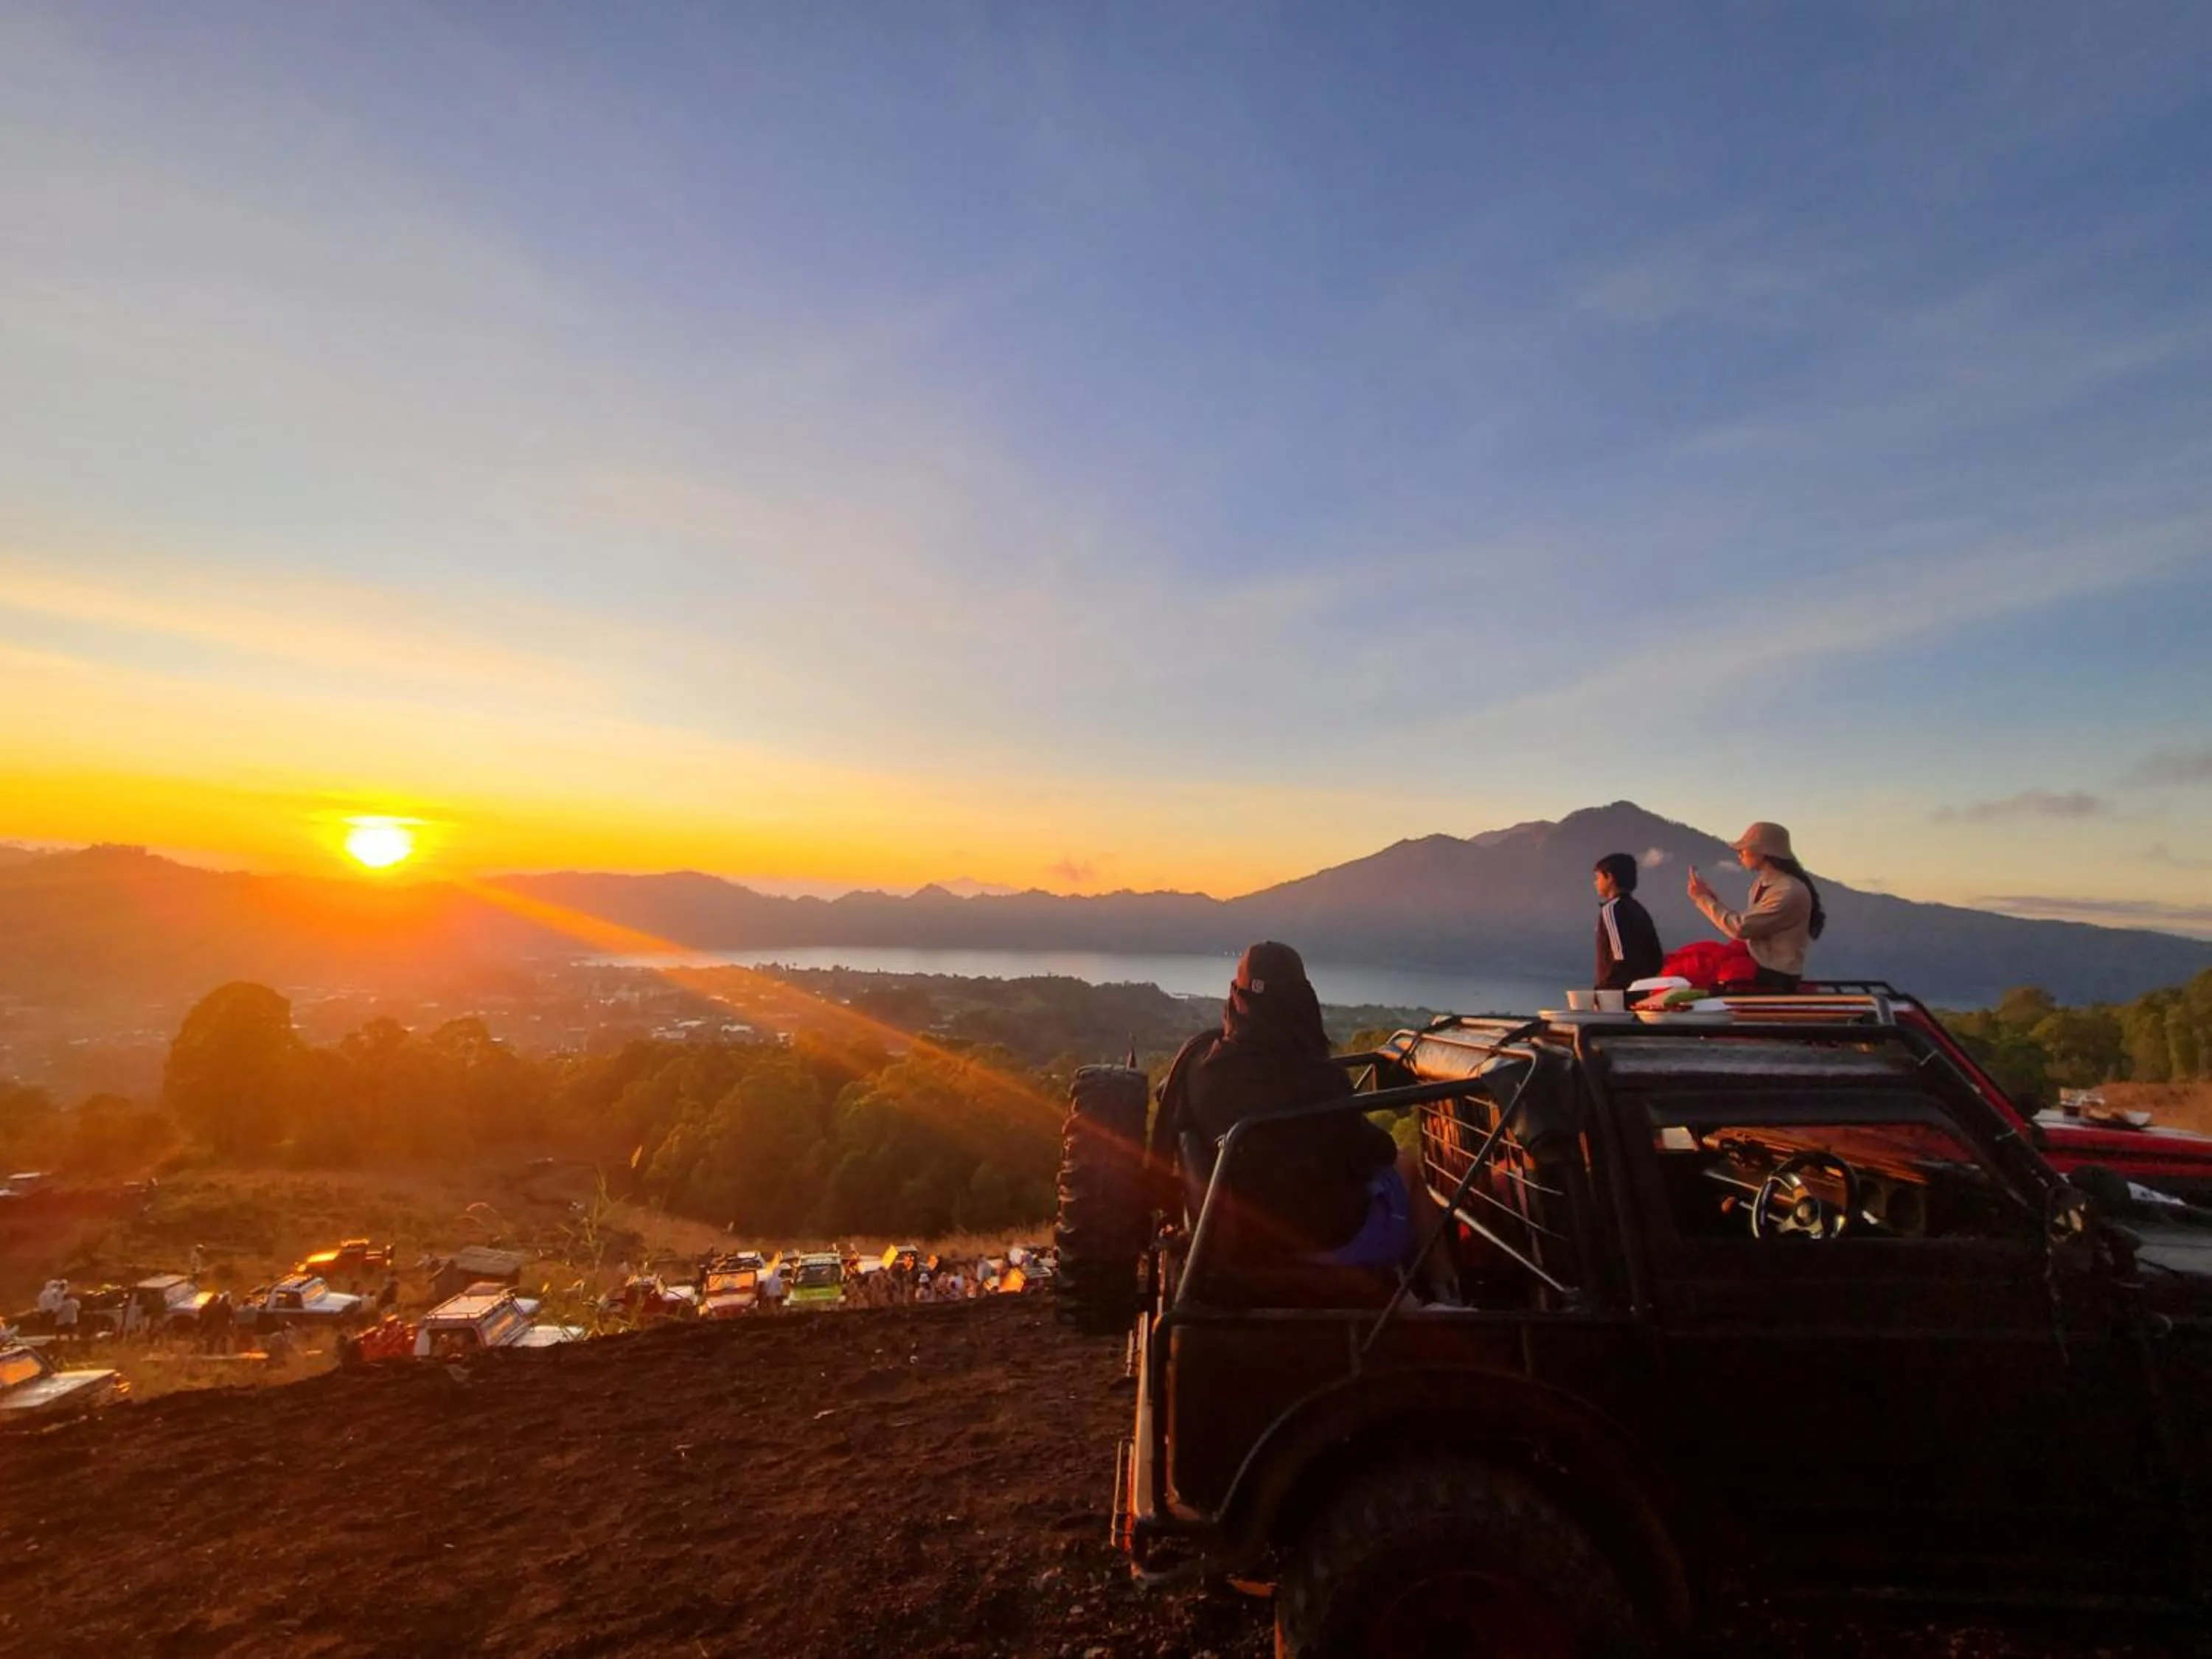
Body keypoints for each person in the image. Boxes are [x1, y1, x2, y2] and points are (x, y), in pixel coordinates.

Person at [1160, 942, 1455, 1295]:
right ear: (1302, 1002)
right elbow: (1374, 1152)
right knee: (1405, 1166)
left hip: (1243, 1242)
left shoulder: (1199, 1070)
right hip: (1327, 1241)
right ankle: (1446, 1296)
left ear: (1236, 999)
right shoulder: (1320, 1081)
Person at [1687, 821, 1826, 992]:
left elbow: (1741, 928)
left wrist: (1703, 899)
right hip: (1758, 960)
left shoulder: (1790, 891)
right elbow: (1750, 924)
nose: (1740, 854)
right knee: (1695, 956)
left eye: (1743, 849)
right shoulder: (1763, 884)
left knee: (1702, 971)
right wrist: (1710, 900)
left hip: (1775, 973)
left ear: (1763, 853)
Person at [1591, 852, 1664, 993]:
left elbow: (1620, 957)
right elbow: (1656, 959)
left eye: (1598, 877)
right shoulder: (1639, 910)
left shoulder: (1611, 909)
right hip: (1642, 994)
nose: (1595, 882)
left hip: (1616, 996)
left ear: (1610, 878)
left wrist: (1601, 992)